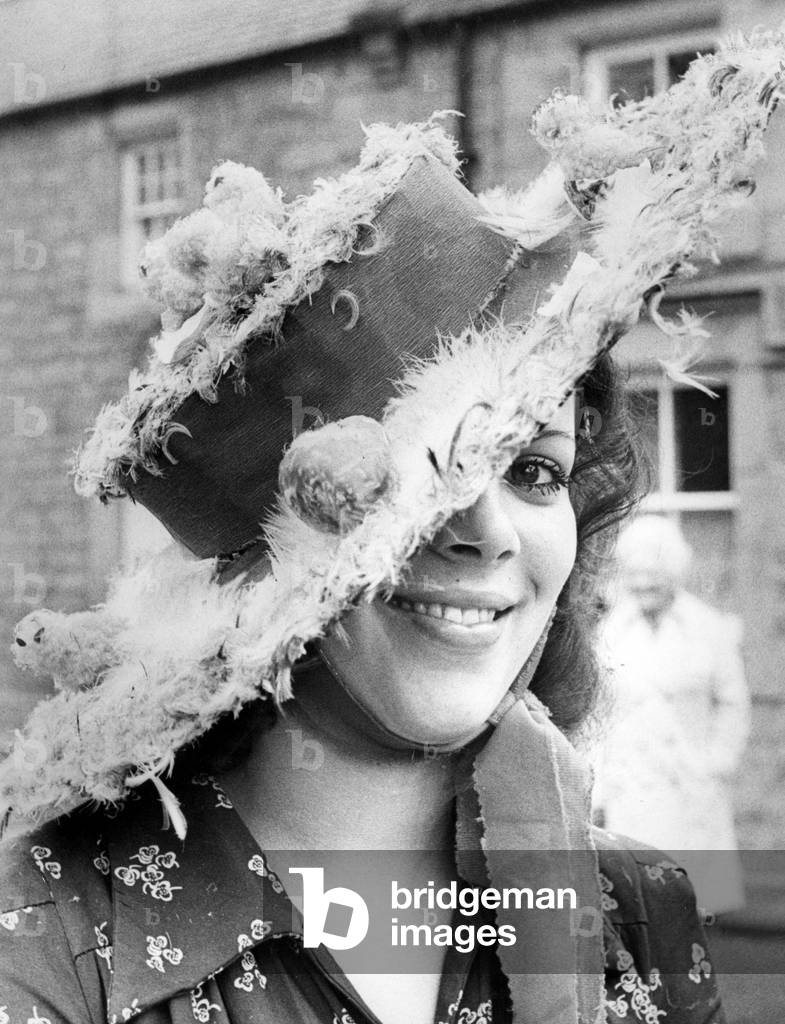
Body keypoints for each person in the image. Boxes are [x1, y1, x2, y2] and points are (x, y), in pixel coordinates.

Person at [2, 32, 784, 1023]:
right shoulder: (45, 931)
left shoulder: (640, 918)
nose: (488, 531)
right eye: (421, 488)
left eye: (533, 469)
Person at [595, 515, 750, 914]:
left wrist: (716, 762)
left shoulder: (709, 628)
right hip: (631, 790)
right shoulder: (609, 633)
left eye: (653, 574)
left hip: (688, 788)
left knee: (691, 910)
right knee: (637, 908)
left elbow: (732, 703)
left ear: (674, 574)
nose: (643, 584)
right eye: (635, 574)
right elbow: (595, 711)